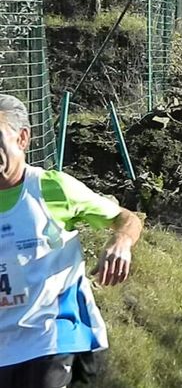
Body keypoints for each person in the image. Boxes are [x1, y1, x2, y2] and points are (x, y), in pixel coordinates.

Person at [0, 94, 143, 388]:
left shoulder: (50, 189)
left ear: (22, 139)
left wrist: (120, 242)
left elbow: (127, 218)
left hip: (56, 339)